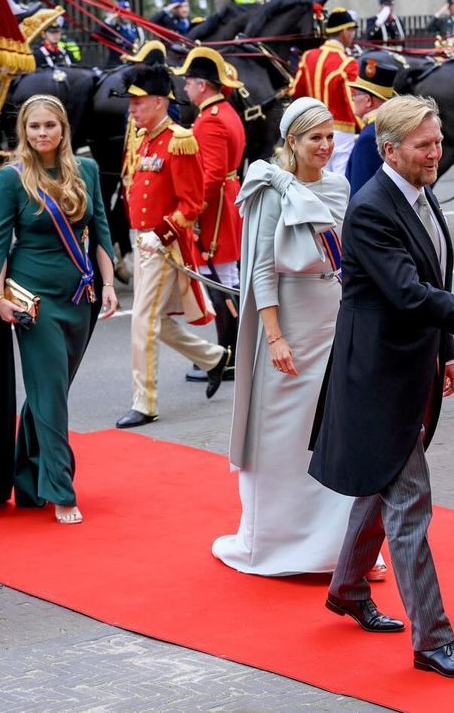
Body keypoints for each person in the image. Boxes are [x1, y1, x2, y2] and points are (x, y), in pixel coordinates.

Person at [307, 95, 454, 680]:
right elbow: (410, 293)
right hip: (376, 375)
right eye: (423, 145)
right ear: (389, 150)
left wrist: (444, 351)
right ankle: (434, 641)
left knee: (384, 479)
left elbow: (432, 280)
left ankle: (347, 588)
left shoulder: (419, 193)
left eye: (437, 142)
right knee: (409, 501)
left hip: (412, 365)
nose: (436, 153)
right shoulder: (371, 208)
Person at [215, 98, 384, 579]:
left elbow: (349, 257)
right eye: (316, 138)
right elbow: (262, 269)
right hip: (287, 320)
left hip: (332, 317)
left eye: (331, 137)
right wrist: (273, 337)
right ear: (292, 141)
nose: (326, 146)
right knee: (282, 436)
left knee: (333, 435)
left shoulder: (339, 185)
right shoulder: (270, 189)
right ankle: (272, 544)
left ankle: (338, 550)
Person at [0, 95, 118, 523]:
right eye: (33, 127)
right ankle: (60, 489)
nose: (41, 134)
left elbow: (100, 233)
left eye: (49, 125)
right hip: (31, 301)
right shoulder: (11, 180)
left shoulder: (86, 170)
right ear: (25, 132)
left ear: (63, 129)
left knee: (48, 390)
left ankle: (29, 479)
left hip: (80, 297)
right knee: (51, 392)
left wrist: (108, 285)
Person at [113, 64, 231, 429]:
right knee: (158, 324)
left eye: (138, 102)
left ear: (161, 102)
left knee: (142, 321)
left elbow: (191, 204)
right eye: (130, 103)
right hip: (144, 240)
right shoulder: (145, 138)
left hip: (162, 245)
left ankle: (144, 402)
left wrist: (161, 234)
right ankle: (213, 358)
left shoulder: (179, 140)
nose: (131, 109)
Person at [173, 47, 246, 382]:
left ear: (202, 85)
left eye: (188, 82)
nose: (185, 88)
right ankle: (230, 353)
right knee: (225, 281)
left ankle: (227, 356)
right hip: (224, 203)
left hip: (214, 211)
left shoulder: (210, 120)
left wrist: (191, 211)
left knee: (219, 283)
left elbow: (212, 176)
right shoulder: (221, 112)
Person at [290, 9, 359, 176]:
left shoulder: (308, 56)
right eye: (352, 31)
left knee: (318, 180)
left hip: (312, 130)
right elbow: (352, 102)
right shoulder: (348, 62)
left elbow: (295, 91)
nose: (352, 36)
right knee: (341, 181)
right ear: (344, 32)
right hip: (341, 131)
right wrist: (364, 126)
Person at [346, 52, 398, 196]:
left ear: (368, 100)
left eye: (355, 95)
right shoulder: (393, 127)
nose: (353, 99)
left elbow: (359, 193)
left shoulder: (369, 137)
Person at [98, 0, 145, 68]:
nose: (126, 15)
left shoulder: (137, 29)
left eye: (127, 12)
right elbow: (98, 32)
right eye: (123, 12)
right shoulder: (113, 29)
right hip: (116, 66)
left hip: (133, 66)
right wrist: (111, 17)